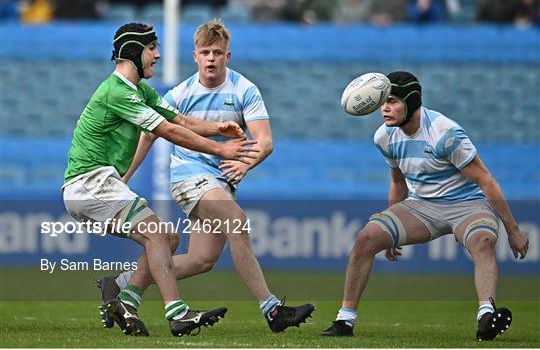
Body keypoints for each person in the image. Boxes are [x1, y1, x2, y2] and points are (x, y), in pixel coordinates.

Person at [97, 20, 315, 333]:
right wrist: (127, 175)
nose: (211, 58)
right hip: (188, 178)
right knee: (236, 221)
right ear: (195, 57)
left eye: (217, 52)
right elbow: (148, 134)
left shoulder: (244, 89)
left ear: (228, 56)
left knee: (202, 259)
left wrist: (244, 166)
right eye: (205, 52)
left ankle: (119, 284)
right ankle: (272, 310)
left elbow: (265, 140)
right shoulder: (180, 93)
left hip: (220, 183)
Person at [63, 22, 258, 337]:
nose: (157, 54)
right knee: (158, 235)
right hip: (90, 183)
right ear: (134, 52)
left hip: (99, 183)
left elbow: (178, 119)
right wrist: (221, 149)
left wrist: (217, 128)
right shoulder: (118, 91)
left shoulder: (139, 90)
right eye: (152, 48)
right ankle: (178, 314)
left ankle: (125, 298)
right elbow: (166, 131)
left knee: (167, 238)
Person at [320, 71, 529, 341]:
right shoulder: (384, 137)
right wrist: (390, 230)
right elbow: (398, 182)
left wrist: (512, 230)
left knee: (483, 241)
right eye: (383, 101)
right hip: (421, 207)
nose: (384, 107)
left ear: (411, 102)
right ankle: (344, 321)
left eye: (392, 101)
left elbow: (486, 181)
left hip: (466, 205)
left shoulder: (446, 134)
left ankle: (486, 315)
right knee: (366, 238)